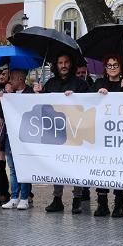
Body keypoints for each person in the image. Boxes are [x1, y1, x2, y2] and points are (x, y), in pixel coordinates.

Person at [41, 53, 92, 214]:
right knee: (57, 166)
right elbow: (42, 105)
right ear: (56, 65)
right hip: (56, 133)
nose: (63, 65)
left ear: (71, 64)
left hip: (76, 133)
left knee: (76, 166)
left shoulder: (81, 84)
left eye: (66, 62)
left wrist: (76, 98)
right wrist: (37, 93)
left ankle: (77, 198)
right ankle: (57, 199)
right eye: (60, 62)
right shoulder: (50, 84)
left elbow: (91, 104)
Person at [92, 55, 123, 217]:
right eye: (109, 65)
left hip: (121, 135)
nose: (112, 67)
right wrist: (98, 94)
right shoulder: (99, 84)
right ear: (105, 68)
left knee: (119, 168)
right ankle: (102, 203)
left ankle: (119, 204)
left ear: (121, 67)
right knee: (102, 169)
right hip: (102, 135)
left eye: (115, 65)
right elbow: (89, 101)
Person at [0, 68, 33, 210]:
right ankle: (14, 197)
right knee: (13, 168)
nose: (9, 81)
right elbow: (1, 113)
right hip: (9, 136)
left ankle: (24, 198)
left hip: (25, 138)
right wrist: (4, 97)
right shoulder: (8, 94)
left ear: (20, 79)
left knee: (24, 167)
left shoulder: (31, 93)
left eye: (12, 78)